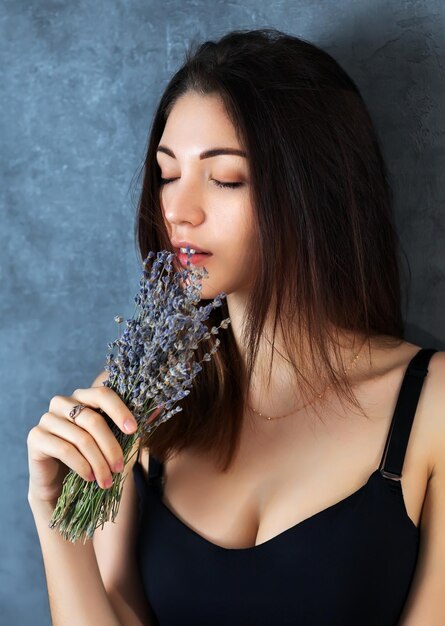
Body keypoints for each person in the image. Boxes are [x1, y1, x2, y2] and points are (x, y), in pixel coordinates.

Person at [27, 28, 445, 626]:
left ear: (314, 192)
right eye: (167, 174)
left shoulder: (432, 406)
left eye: (224, 178)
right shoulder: (138, 400)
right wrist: (55, 522)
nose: (177, 209)